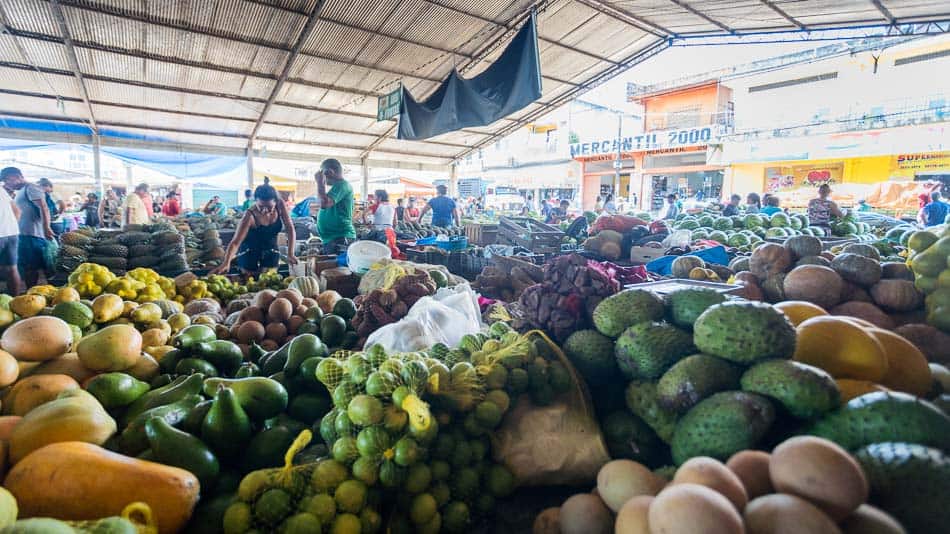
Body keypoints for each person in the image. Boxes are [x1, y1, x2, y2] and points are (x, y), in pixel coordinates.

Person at [211, 183, 296, 276]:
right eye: (261, 206)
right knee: (250, 282)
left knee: (271, 281)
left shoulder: (280, 205)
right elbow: (235, 242)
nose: (265, 210)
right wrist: (226, 263)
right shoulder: (249, 216)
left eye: (269, 207)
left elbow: (290, 228)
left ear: (276, 202)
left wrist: (290, 253)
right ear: (255, 202)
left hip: (271, 250)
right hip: (249, 252)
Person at [15, 174, 54, 287]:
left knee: (32, 267)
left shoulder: (31, 187)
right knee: (32, 266)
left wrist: (46, 228)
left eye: (8, 179)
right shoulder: (21, 190)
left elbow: (43, 207)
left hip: (32, 234)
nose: (7, 183)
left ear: (19, 176)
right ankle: (34, 292)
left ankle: (33, 293)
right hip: (25, 234)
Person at [315, 158, 356, 250]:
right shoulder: (337, 187)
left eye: (323, 174)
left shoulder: (342, 185)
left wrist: (319, 183)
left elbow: (324, 203)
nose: (323, 177)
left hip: (339, 238)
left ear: (329, 172)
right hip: (334, 238)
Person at [0, 168, 23, 294]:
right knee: (12, 269)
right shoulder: (2, 191)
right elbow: (18, 211)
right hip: (12, 233)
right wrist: (10, 226)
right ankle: (15, 299)